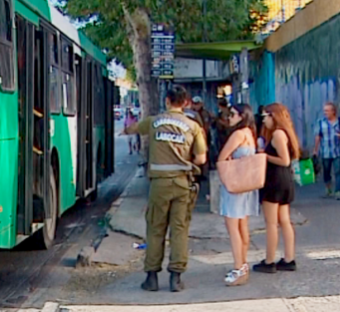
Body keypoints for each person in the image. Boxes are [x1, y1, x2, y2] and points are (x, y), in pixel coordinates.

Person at [121, 85, 207, 292]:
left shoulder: (154, 122)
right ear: (185, 103)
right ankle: (176, 279)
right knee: (179, 229)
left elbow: (132, 129)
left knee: (155, 229)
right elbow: (201, 158)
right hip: (182, 183)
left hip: (159, 185)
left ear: (167, 101)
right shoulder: (193, 126)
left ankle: (151, 278)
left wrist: (125, 129)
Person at [253, 103, 299, 274]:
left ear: (274, 116)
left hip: (275, 180)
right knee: (284, 220)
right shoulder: (284, 132)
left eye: (266, 116)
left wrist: (264, 155)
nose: (264, 120)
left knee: (271, 223)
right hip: (284, 180)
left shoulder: (278, 134)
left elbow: (284, 160)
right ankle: (289, 258)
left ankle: (269, 260)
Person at [217, 104, 259, 286]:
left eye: (233, 114)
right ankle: (243, 264)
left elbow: (222, 157)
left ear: (242, 116)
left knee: (233, 226)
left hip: (235, 184)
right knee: (243, 225)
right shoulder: (250, 133)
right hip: (247, 184)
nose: (229, 117)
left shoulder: (238, 134)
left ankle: (238, 266)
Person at [313, 102, 340, 200]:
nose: (325, 113)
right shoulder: (321, 122)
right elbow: (318, 137)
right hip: (325, 152)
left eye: (327, 111)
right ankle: (328, 189)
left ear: (333, 111)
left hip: (338, 151)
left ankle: (338, 191)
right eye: (324, 111)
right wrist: (315, 150)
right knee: (326, 172)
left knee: (338, 171)